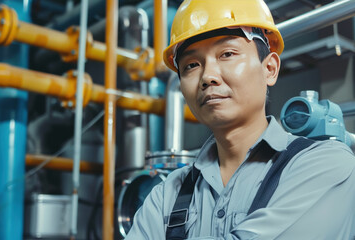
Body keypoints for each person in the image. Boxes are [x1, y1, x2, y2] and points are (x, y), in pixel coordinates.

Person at [125, 0, 355, 239]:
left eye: (227, 54)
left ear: (270, 69)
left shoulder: (327, 165)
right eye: (191, 65)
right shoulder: (167, 194)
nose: (208, 77)